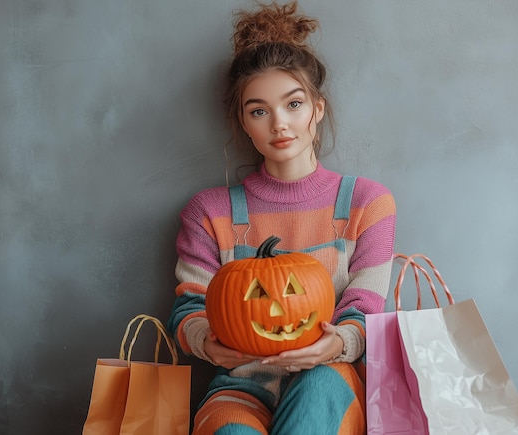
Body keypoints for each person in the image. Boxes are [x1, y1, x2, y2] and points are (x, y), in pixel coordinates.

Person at [167, 2, 396, 433]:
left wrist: (337, 344)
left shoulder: (368, 202)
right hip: (239, 386)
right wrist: (210, 344)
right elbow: (189, 310)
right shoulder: (209, 212)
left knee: (314, 398)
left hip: (330, 378)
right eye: (259, 111)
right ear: (244, 122)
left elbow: (366, 311)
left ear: (318, 109)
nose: (279, 124)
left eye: (293, 104)